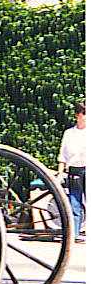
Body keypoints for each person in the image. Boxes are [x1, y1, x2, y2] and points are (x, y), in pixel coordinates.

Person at [58, 101, 86, 243]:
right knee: (75, 203)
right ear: (77, 115)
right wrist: (60, 173)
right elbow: (63, 155)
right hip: (74, 169)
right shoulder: (69, 133)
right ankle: (74, 234)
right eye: (84, 113)